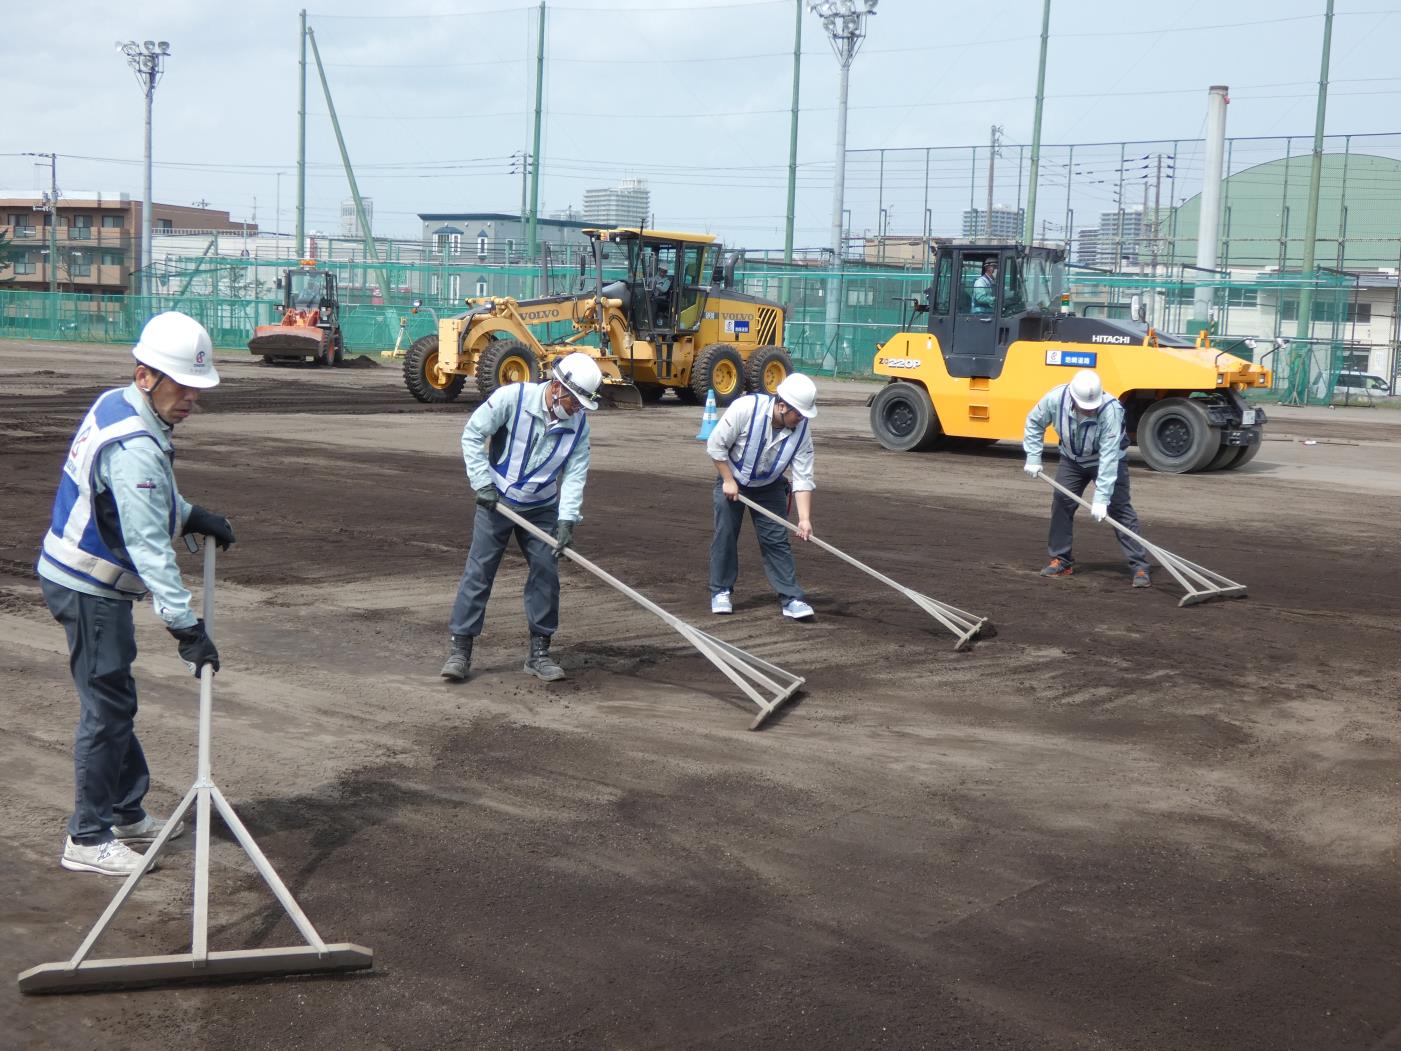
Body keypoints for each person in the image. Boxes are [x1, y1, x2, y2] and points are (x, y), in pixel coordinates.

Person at [38, 311, 235, 877]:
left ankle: (124, 811)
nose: (191, 400)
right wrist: (185, 627)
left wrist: (191, 513)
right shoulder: (138, 449)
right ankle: (88, 835)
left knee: (114, 701)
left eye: (197, 389)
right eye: (183, 387)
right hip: (89, 587)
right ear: (147, 375)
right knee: (106, 710)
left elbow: (136, 503)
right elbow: (149, 545)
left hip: (74, 574)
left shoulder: (116, 402)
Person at [441, 351, 602, 684]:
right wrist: (482, 483)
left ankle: (539, 652)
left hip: (542, 507)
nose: (576, 409)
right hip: (495, 500)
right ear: (558, 387)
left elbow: (575, 473)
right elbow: (472, 433)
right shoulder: (512, 398)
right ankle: (461, 650)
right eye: (574, 402)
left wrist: (567, 520)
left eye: (581, 405)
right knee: (480, 571)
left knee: (546, 573)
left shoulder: (578, 427)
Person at [1023, 369, 1151, 588]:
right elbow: (1034, 422)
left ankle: (1139, 566)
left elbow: (1109, 457)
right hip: (1072, 459)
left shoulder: (1111, 410)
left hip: (1107, 461)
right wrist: (1033, 456)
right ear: (1073, 397)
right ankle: (1061, 560)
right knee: (1062, 503)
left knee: (1119, 509)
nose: (1089, 411)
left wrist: (1101, 499)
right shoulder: (1055, 398)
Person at [706, 372, 818, 621]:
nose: (800, 419)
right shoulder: (746, 408)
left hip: (769, 487)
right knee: (725, 534)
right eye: (797, 413)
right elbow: (716, 445)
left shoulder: (801, 431)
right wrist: (727, 480)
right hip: (732, 479)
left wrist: (805, 518)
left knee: (777, 540)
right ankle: (721, 591)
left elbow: (802, 476)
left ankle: (791, 598)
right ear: (781, 405)